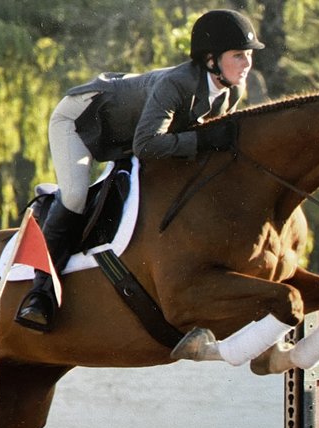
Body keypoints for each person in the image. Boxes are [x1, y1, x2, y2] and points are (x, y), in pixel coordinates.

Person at [15, 8, 265, 332]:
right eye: (238, 55)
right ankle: (41, 294)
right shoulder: (176, 84)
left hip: (127, 133)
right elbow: (148, 145)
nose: (247, 64)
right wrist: (203, 141)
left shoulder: (231, 89)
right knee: (76, 195)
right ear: (211, 60)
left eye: (248, 55)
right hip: (81, 119)